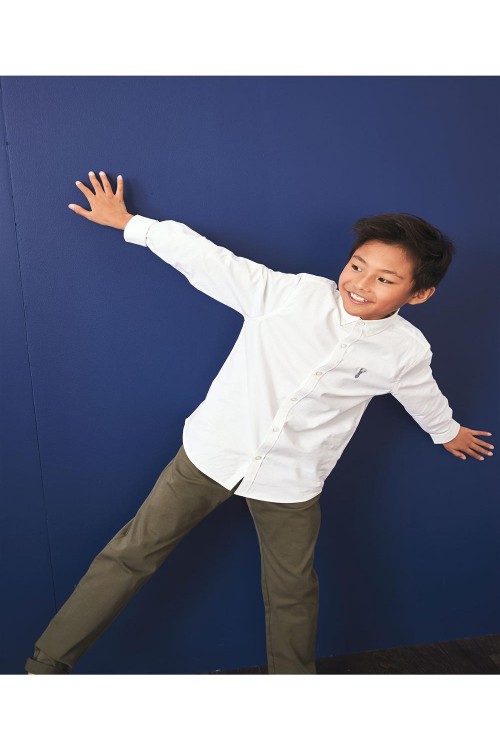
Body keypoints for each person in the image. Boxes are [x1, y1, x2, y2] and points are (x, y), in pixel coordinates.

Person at [25, 171, 494, 675]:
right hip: (210, 455)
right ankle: (45, 667)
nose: (359, 284)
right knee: (130, 554)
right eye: (357, 266)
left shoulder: (406, 351)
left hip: (292, 480)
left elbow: (421, 394)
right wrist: (129, 224)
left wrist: (447, 431)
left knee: (293, 593)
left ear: (418, 295)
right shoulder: (292, 295)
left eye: (384, 279)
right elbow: (210, 261)